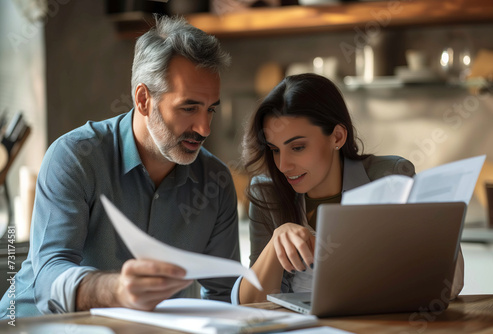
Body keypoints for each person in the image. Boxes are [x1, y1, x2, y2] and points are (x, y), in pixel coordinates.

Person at [0, 16, 240, 319]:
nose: (204, 128)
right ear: (143, 99)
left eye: (210, 109)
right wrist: (117, 291)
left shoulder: (215, 181)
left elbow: (224, 296)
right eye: (189, 108)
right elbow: (47, 277)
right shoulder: (76, 157)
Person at [232, 73, 464, 304]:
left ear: (338, 137)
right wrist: (276, 242)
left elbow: (449, 285)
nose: (283, 165)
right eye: (275, 149)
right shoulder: (267, 194)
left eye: (298, 147)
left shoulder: (390, 177)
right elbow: (250, 305)